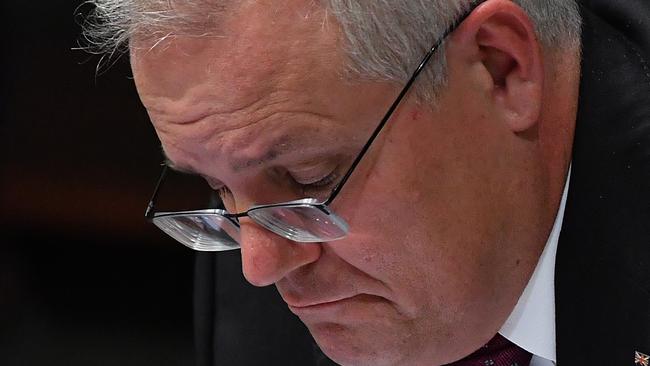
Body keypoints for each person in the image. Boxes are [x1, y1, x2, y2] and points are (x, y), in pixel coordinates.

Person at [83, 0, 650, 365]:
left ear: (500, 68)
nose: (258, 268)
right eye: (219, 189)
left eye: (311, 179)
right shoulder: (254, 302)